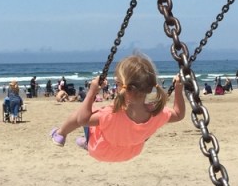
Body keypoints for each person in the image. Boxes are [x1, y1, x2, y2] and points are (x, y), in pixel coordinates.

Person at [49, 54, 185, 162]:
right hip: (131, 152)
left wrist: (92, 91)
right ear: (150, 86)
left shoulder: (110, 114)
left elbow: (82, 120)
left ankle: (61, 134)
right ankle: (84, 140)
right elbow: (178, 114)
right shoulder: (157, 113)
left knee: (86, 111)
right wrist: (178, 88)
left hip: (100, 150)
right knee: (99, 119)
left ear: (120, 85)